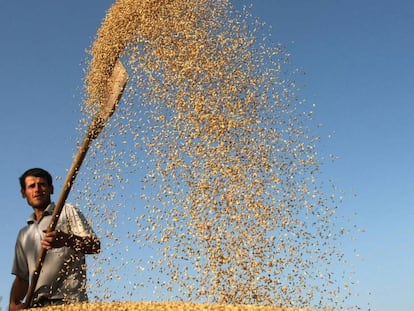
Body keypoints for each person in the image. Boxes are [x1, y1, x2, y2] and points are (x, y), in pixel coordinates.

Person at [9, 168, 101, 310]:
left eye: (42, 184)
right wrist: (13, 304)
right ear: (24, 193)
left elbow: (94, 245)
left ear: (51, 189)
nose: (37, 189)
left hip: (70, 302)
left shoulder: (66, 211)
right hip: (36, 305)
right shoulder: (24, 234)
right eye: (31, 186)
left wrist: (66, 240)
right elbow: (22, 277)